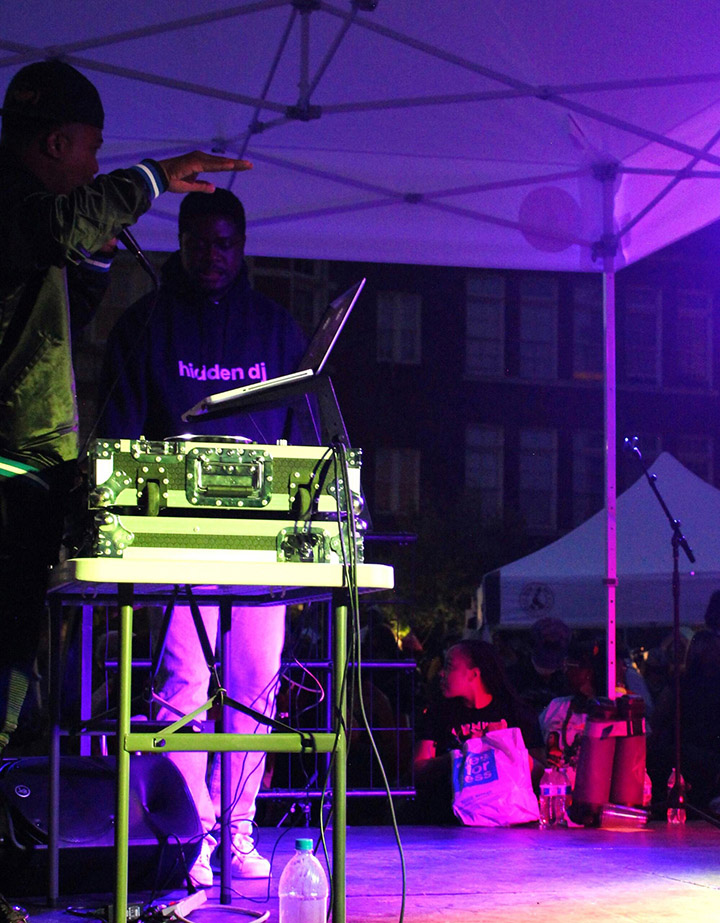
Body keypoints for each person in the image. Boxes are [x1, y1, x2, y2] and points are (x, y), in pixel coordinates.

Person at [0, 59, 250, 760]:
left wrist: (97, 264)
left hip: (31, 464)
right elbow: (62, 225)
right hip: (8, 464)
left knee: (18, 649)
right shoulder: (18, 201)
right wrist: (154, 177)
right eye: (92, 148)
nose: (94, 164)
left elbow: (56, 327)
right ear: (58, 143)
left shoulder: (34, 219)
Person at [97, 188, 314, 887]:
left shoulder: (277, 329)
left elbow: (302, 434)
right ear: (182, 242)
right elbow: (120, 432)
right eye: (199, 243)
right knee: (183, 684)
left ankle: (239, 828)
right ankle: (189, 832)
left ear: (241, 245)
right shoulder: (147, 323)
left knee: (256, 684)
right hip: (175, 539)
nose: (212, 257)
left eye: (224, 244)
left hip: (261, 545)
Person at [413, 639, 544, 823]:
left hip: (509, 820)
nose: (442, 673)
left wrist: (503, 747)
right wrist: (459, 756)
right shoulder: (437, 713)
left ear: (474, 674)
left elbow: (541, 772)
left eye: (450, 666)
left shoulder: (516, 713)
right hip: (450, 821)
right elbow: (419, 768)